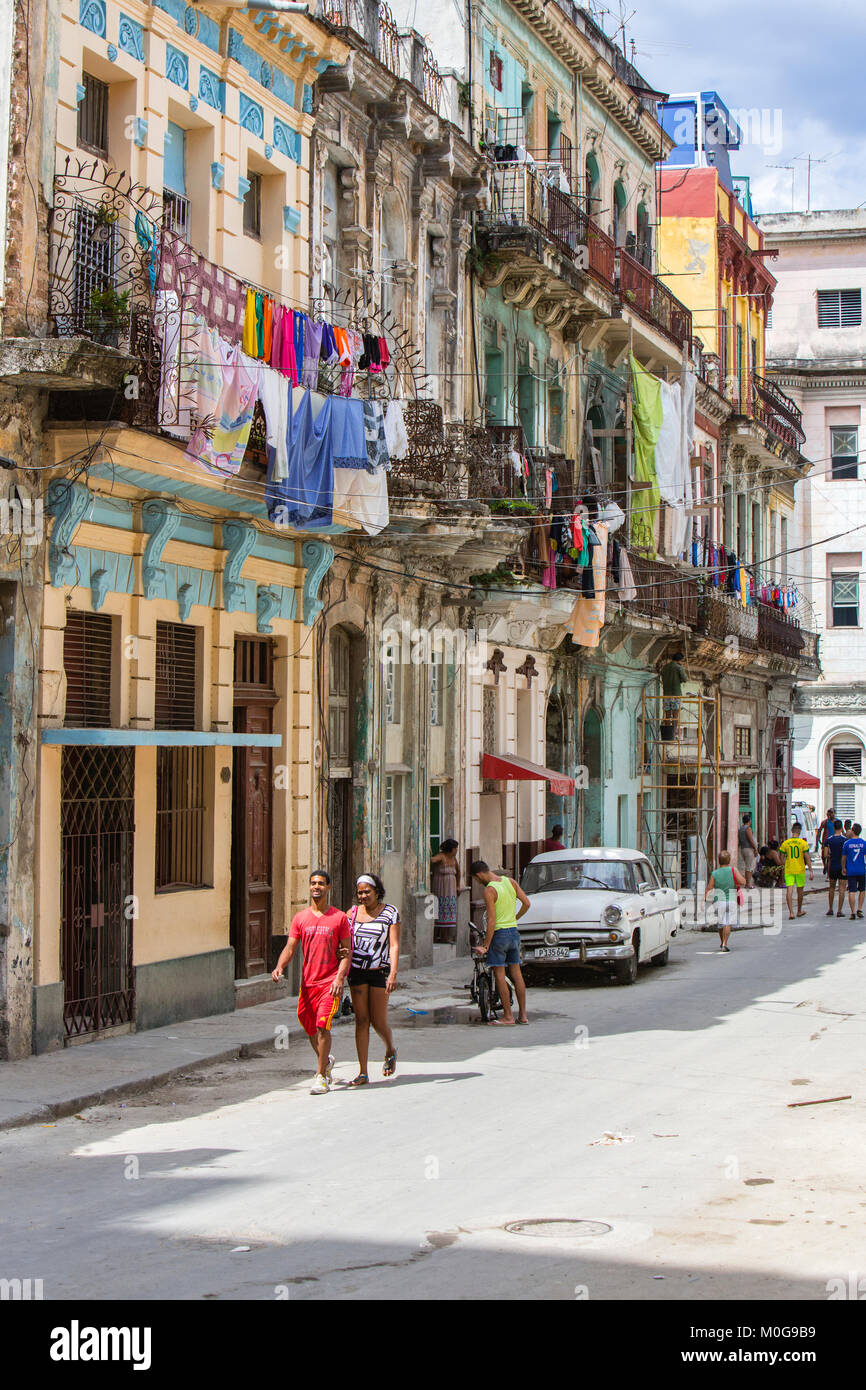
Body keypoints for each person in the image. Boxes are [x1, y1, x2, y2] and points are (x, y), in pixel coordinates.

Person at [271, 869, 352, 1095]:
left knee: (322, 1026)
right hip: (308, 984)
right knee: (309, 1027)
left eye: (321, 883)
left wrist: (339, 978)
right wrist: (280, 967)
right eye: (313, 883)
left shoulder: (339, 918)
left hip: (330, 983)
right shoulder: (300, 918)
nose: (317, 886)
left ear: (328, 888)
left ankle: (320, 1076)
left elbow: (347, 953)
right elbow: (290, 947)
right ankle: (325, 1061)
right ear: (309, 887)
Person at [345, 873, 401, 1086]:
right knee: (361, 1020)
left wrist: (393, 973)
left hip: (380, 971)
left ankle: (390, 1049)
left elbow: (394, 945)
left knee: (378, 1021)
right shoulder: (351, 913)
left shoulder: (390, 913)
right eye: (360, 892)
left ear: (377, 890)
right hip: (357, 971)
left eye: (367, 891)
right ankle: (363, 1072)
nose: (363, 896)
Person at [470, 860, 531, 1025]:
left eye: (476, 880)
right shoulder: (510, 881)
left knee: (500, 974)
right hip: (514, 933)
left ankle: (508, 1016)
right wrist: (515, 918)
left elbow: (491, 921)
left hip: (500, 935)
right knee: (517, 974)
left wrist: (486, 945)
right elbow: (527, 903)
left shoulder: (490, 890)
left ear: (479, 875)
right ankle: (523, 1015)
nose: (478, 882)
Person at [705, 850, 745, 951]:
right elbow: (743, 882)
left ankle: (721, 942)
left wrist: (704, 898)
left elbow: (710, 887)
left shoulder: (715, 873)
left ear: (719, 861)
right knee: (727, 922)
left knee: (720, 923)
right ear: (729, 860)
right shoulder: (733, 870)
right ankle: (724, 944)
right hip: (731, 900)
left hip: (719, 901)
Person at [779, 822, 814, 920]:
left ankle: (791, 912)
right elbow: (807, 858)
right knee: (800, 891)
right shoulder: (803, 843)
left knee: (789, 890)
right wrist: (810, 870)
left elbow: (781, 857)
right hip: (800, 869)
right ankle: (799, 910)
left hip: (789, 869)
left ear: (792, 830)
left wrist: (783, 865)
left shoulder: (786, 843)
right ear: (799, 831)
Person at [430, 839, 459, 942]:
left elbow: (458, 872)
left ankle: (445, 936)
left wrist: (458, 886)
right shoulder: (441, 856)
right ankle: (439, 936)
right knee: (439, 908)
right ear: (450, 849)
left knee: (448, 909)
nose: (456, 850)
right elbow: (432, 860)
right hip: (441, 886)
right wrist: (429, 850)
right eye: (455, 848)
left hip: (450, 888)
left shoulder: (454, 859)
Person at [659, 651, 686, 740]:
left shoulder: (665, 667)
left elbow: (662, 678)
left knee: (667, 715)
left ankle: (668, 736)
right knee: (675, 715)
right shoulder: (679, 667)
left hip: (666, 694)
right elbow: (684, 679)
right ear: (680, 660)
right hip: (676, 694)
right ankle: (674, 734)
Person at [842, 822, 866, 920]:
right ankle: (859, 908)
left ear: (853, 831)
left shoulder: (847, 843)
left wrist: (843, 867)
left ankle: (852, 912)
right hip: (861, 870)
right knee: (862, 890)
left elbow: (843, 857)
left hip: (851, 870)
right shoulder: (864, 843)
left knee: (852, 891)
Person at [825, 819, 848, 918]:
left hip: (833, 866)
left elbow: (826, 854)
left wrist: (831, 856)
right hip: (842, 867)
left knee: (831, 888)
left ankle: (830, 909)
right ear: (841, 828)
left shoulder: (829, 840)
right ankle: (839, 910)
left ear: (834, 828)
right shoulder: (845, 840)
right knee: (842, 889)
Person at [737, 813, 759, 888]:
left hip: (743, 849)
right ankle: (748, 884)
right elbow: (751, 840)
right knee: (749, 867)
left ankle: (747, 883)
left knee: (748, 866)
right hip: (749, 849)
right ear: (749, 821)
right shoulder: (748, 829)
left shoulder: (740, 829)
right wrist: (755, 848)